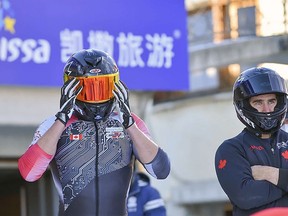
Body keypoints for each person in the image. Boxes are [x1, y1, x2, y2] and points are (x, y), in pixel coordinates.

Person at [18, 49, 171, 216]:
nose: (97, 98)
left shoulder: (129, 123)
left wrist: (130, 125)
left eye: (103, 88)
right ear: (71, 88)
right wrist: (61, 120)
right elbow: (29, 173)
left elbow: (161, 170)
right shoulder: (53, 125)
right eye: (88, 89)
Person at [215, 67, 288, 216]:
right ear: (245, 105)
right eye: (258, 102)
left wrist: (270, 174)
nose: (267, 109)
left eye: (272, 101)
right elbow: (246, 197)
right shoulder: (231, 149)